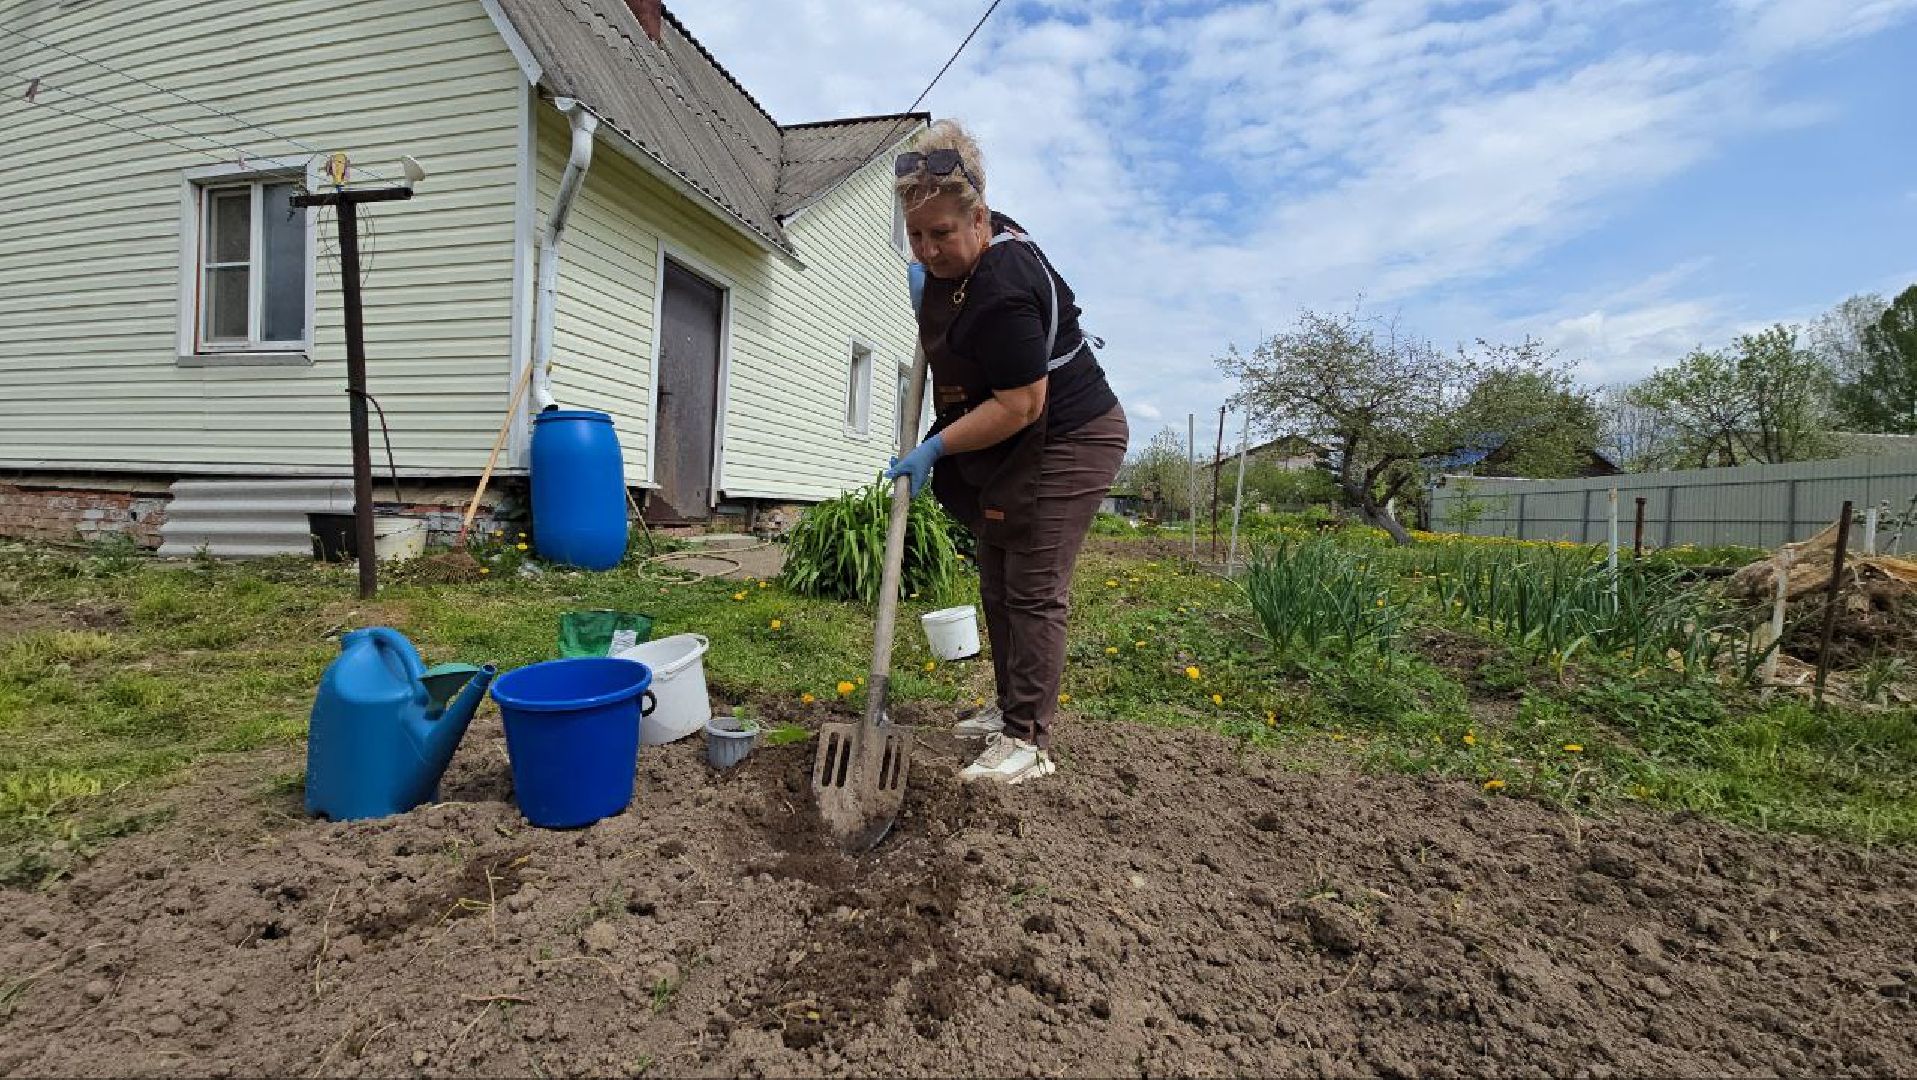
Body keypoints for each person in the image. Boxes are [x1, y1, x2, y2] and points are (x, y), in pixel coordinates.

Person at [885, 120, 1128, 785]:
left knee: (1032, 586)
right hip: (1022, 438)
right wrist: (931, 292)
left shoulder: (1005, 287)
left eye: (942, 234)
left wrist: (933, 447)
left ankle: (1027, 741)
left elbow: (1022, 403)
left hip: (1072, 435)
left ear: (982, 220)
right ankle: (1008, 707)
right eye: (916, 235)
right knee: (995, 577)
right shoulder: (969, 246)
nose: (929, 250)